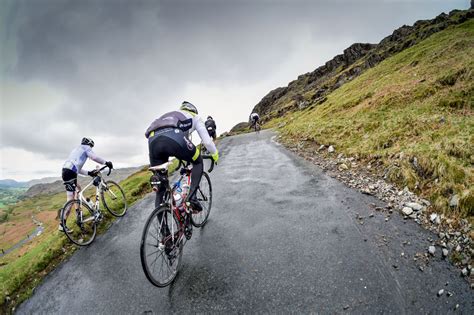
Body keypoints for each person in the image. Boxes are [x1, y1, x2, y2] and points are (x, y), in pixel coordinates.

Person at [145, 101, 219, 212]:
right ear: (193, 110)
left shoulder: (170, 114)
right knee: (198, 161)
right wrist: (215, 155)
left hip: (153, 141)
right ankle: (192, 198)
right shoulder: (195, 117)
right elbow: (207, 142)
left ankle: (164, 228)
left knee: (161, 189)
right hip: (173, 136)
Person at [60, 137, 113, 232]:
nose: (91, 148)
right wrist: (106, 162)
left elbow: (77, 168)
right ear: (89, 144)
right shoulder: (85, 147)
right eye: (91, 147)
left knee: (78, 190)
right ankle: (63, 224)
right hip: (71, 172)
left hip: (66, 171)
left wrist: (89, 173)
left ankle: (77, 215)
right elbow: (94, 157)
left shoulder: (76, 150)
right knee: (70, 200)